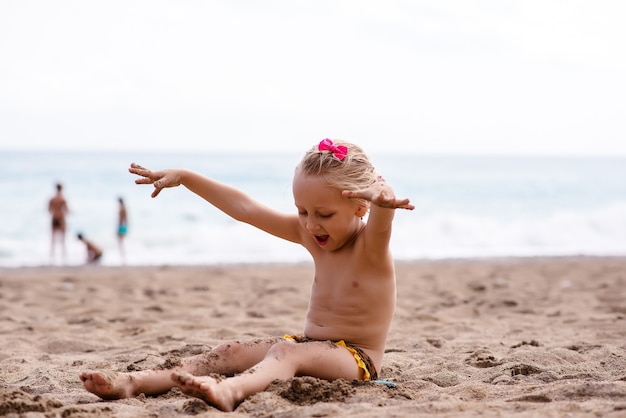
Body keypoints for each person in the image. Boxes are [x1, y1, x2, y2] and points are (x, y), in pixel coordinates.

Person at [80, 138, 414, 412]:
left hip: (356, 360)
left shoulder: (371, 246)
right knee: (232, 351)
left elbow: (384, 210)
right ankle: (135, 383)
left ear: (360, 207)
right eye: (302, 211)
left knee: (285, 353)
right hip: (310, 346)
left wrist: (382, 198)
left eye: (323, 214)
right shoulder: (310, 235)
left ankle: (230, 391)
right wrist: (186, 177)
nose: (311, 224)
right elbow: (246, 210)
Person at [48, 182, 69, 264]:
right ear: (61, 189)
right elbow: (66, 210)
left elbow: (49, 210)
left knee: (52, 240)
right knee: (63, 240)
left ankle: (51, 259)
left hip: (54, 219)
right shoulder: (63, 199)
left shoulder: (52, 199)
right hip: (61, 219)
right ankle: (63, 259)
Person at [117, 197, 128, 263]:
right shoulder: (125, 208)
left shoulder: (122, 209)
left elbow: (120, 220)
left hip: (121, 226)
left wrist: (119, 228)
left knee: (120, 242)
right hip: (124, 226)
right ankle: (123, 257)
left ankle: (123, 257)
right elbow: (126, 219)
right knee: (122, 242)